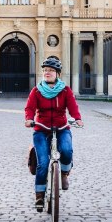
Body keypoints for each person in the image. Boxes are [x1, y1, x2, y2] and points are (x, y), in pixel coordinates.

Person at [24, 56, 82, 212]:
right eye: (45, 70)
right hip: (41, 129)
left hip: (62, 127)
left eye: (50, 70)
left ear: (57, 73)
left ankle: (63, 173)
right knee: (43, 163)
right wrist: (29, 119)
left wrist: (77, 118)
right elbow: (29, 108)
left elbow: (72, 106)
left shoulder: (65, 90)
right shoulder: (36, 90)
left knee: (67, 150)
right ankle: (40, 196)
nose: (47, 73)